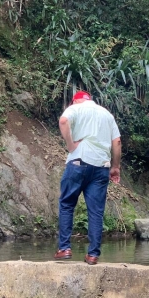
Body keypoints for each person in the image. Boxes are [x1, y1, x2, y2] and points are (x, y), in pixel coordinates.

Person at [53, 90, 122, 265]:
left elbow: (63, 121)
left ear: (75, 101)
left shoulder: (76, 109)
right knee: (96, 212)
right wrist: (115, 167)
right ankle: (93, 255)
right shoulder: (107, 114)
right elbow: (117, 142)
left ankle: (65, 248)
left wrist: (71, 145)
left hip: (78, 162)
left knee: (67, 204)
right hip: (101, 168)